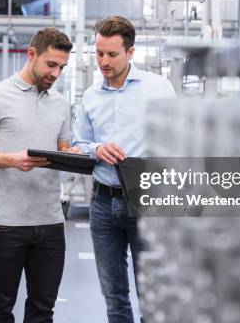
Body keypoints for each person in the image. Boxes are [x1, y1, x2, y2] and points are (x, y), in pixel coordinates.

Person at [73, 16, 176, 323]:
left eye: (112, 54)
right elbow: (79, 143)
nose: (103, 61)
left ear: (130, 53)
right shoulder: (90, 97)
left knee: (152, 295)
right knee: (114, 296)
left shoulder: (159, 89)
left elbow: (176, 142)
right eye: (99, 53)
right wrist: (96, 149)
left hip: (146, 201)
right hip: (103, 204)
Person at [0, 27, 76, 323]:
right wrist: (11, 159)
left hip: (51, 223)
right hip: (7, 225)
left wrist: (75, 155)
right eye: (51, 64)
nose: (56, 74)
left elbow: (64, 149)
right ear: (32, 55)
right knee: (1, 308)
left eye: (62, 68)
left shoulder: (60, 104)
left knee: (43, 310)